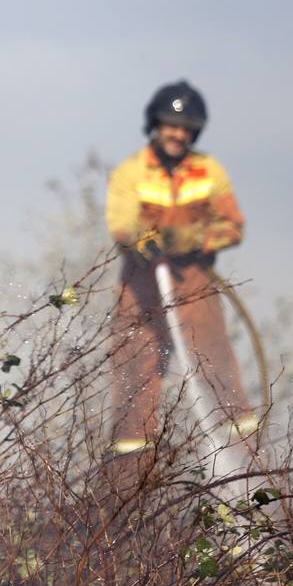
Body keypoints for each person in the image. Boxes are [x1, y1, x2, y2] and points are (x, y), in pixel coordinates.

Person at [103, 80, 256, 476]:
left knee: (217, 370)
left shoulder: (209, 171)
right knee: (136, 378)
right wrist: (143, 240)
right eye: (171, 125)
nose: (178, 133)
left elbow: (233, 227)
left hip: (194, 287)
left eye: (186, 127)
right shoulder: (131, 172)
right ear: (155, 125)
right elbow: (121, 223)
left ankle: (246, 472)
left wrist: (192, 238)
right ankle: (128, 482)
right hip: (141, 291)